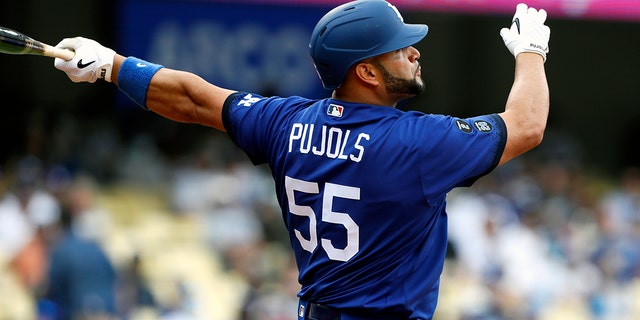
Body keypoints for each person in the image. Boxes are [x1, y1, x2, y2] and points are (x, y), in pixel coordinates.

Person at [52, 1, 550, 319]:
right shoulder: (418, 142)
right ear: (367, 72)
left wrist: (112, 67)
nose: (416, 52)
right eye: (401, 49)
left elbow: (194, 98)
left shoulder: (286, 122)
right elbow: (525, 126)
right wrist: (531, 53)